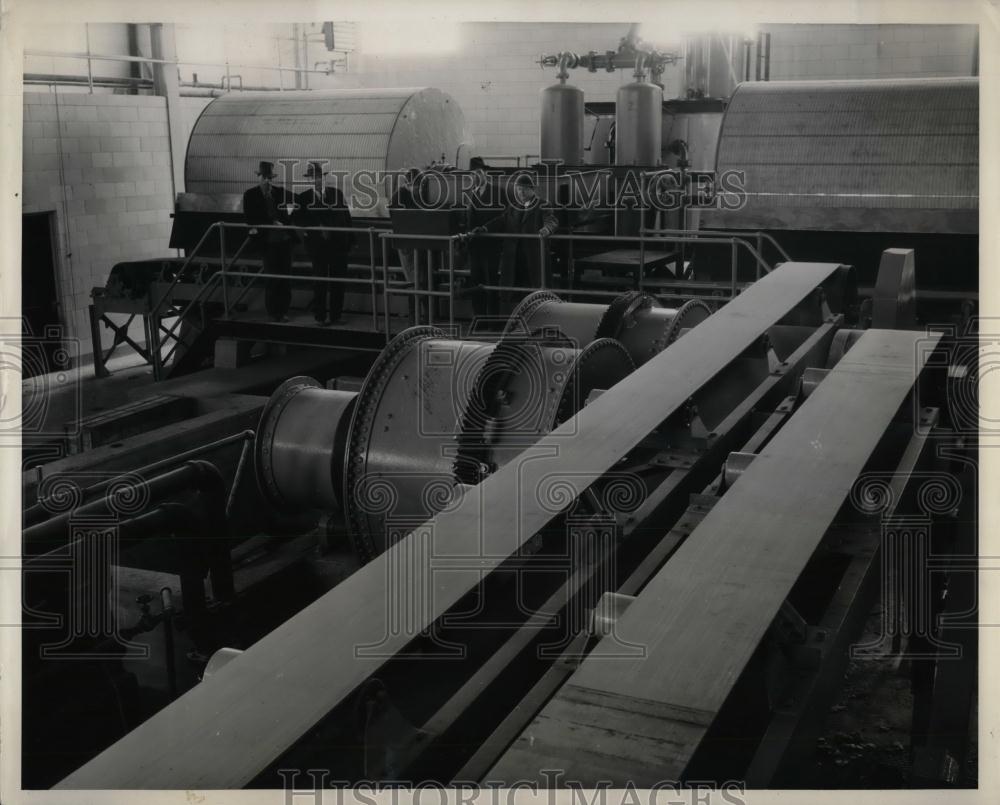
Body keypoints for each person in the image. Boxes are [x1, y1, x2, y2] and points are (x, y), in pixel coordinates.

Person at [294, 161, 355, 325]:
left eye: (319, 176)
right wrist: (313, 229)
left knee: (338, 282)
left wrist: (350, 240)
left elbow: (346, 217)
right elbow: (296, 219)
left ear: (323, 178)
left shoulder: (336, 193)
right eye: (313, 177)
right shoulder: (303, 198)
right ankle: (320, 316)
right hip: (317, 247)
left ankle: (336, 316)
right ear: (308, 180)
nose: (316, 180)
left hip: (338, 245)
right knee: (319, 281)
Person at [493, 173, 558, 311]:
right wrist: (484, 228)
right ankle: (519, 322)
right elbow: (500, 221)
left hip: (534, 257)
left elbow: (551, 220)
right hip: (516, 259)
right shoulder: (513, 207)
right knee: (517, 292)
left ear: (531, 189)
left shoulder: (543, 204)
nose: (521, 193)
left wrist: (547, 229)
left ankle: (537, 319)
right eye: (518, 189)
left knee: (535, 292)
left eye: (523, 189)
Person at [243, 160, 296, 322]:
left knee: (285, 276)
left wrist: (287, 220)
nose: (267, 181)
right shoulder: (250, 195)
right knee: (273, 277)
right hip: (268, 241)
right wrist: (271, 223)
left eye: (270, 178)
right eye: (265, 177)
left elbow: (297, 201)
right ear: (259, 177)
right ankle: (274, 312)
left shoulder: (279, 192)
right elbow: (250, 218)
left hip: (284, 240)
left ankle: (283, 310)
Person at [463, 157, 504, 318]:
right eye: (473, 174)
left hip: (491, 244)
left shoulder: (497, 191)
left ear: (485, 173)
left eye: (478, 172)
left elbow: (502, 217)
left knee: (491, 282)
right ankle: (479, 318)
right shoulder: (471, 194)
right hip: (475, 246)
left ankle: (493, 320)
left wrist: (486, 228)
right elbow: (469, 219)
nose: (476, 176)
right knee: (476, 282)